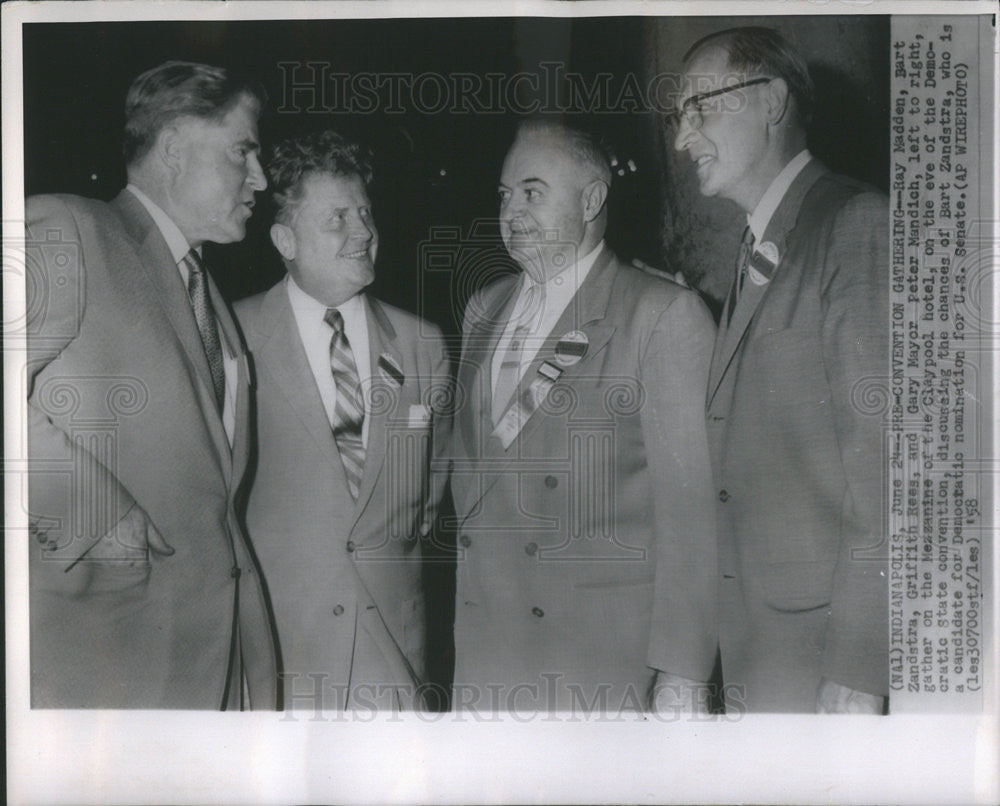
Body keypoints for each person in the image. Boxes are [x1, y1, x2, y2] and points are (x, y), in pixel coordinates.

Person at [26, 61, 278, 708]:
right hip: (105, 663)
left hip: (215, 670)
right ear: (173, 150)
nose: (262, 178)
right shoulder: (69, 229)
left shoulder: (212, 297)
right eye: (243, 151)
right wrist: (98, 519)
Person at [448, 119, 717, 713]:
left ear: (592, 199)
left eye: (533, 191)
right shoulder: (482, 309)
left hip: (598, 662)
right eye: (503, 194)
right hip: (487, 656)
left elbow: (692, 517)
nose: (511, 209)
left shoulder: (661, 314)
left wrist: (683, 676)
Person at [673, 27, 889, 713]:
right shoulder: (757, 249)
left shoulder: (856, 225)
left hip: (825, 654)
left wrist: (862, 665)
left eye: (699, 108)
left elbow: (888, 464)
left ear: (769, 102)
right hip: (755, 648)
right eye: (679, 117)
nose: (683, 139)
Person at [234, 130, 451, 711]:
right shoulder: (235, 337)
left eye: (365, 214)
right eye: (337, 219)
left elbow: (430, 491)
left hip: (394, 650)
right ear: (286, 238)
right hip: (283, 651)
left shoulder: (422, 343)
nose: (363, 233)